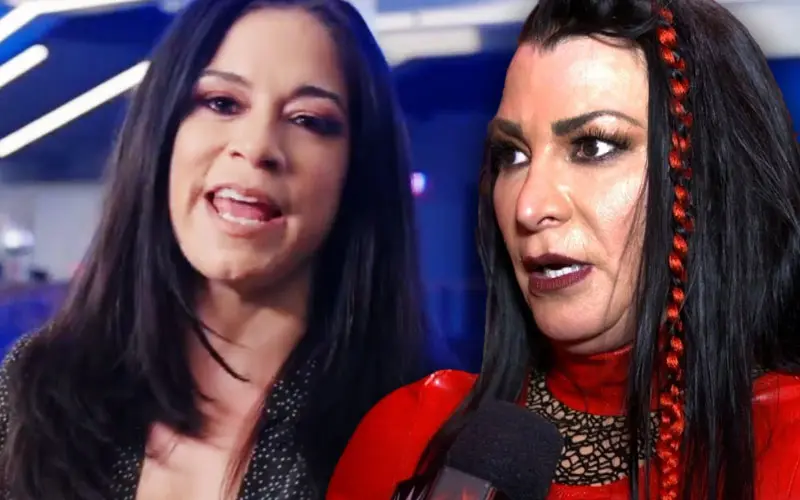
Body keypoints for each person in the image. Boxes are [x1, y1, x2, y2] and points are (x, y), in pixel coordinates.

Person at [327, 0, 800, 498]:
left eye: (593, 146)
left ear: (711, 179)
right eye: (512, 155)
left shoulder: (787, 446)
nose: (529, 206)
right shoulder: (408, 436)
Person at [0, 0, 428, 498]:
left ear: (357, 170)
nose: (257, 146)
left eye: (308, 119)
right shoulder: (38, 390)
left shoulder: (421, 445)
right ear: (163, 135)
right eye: (222, 103)